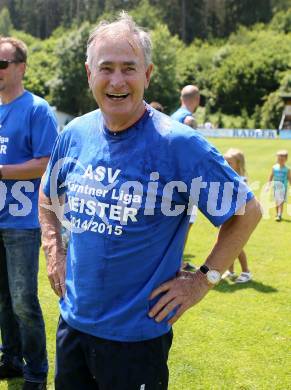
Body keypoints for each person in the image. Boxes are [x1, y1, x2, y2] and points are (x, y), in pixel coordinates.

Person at [39, 13, 261, 390]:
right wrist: (53, 248)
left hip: (137, 340)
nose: (117, 81)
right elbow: (47, 194)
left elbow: (247, 211)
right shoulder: (74, 133)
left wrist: (201, 281)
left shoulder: (179, 144)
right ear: (89, 73)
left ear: (148, 74)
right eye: (106, 68)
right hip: (73, 325)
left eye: (129, 68)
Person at [0, 37, 58, 390]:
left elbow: (47, 163)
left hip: (22, 222)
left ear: (21, 67)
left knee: (23, 300)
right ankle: (10, 358)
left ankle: (35, 370)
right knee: (2, 300)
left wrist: (1, 171)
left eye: (2, 63)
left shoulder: (37, 109)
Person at [222, 148, 252, 283]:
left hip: (236, 216)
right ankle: (230, 270)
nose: (226, 164)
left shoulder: (241, 180)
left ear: (238, 164)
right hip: (226, 215)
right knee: (225, 244)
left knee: (236, 245)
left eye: (229, 162)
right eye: (225, 162)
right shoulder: (226, 176)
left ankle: (246, 271)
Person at [267, 150, 291, 222]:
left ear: (286, 159)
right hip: (276, 188)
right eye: (279, 159)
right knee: (277, 202)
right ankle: (277, 213)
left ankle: (279, 215)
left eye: (282, 159)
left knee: (280, 201)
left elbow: (289, 178)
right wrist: (268, 185)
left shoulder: (287, 169)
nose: (280, 160)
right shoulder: (274, 168)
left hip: (283, 188)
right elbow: (271, 176)